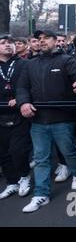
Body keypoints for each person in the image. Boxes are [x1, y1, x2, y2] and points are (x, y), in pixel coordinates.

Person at [16, 29, 76, 213]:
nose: (42, 41)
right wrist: (23, 103)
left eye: (46, 38)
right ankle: (41, 195)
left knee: (68, 151)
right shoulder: (29, 65)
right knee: (41, 158)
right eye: (39, 39)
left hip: (62, 118)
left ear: (55, 41)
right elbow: (22, 87)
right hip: (38, 120)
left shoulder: (67, 60)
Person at [0, 34, 32, 200]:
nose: (7, 45)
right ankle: (12, 182)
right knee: (3, 153)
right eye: (3, 43)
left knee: (17, 150)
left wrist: (21, 99)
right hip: (1, 115)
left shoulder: (25, 64)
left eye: (10, 43)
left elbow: (32, 85)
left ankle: (24, 177)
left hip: (20, 114)